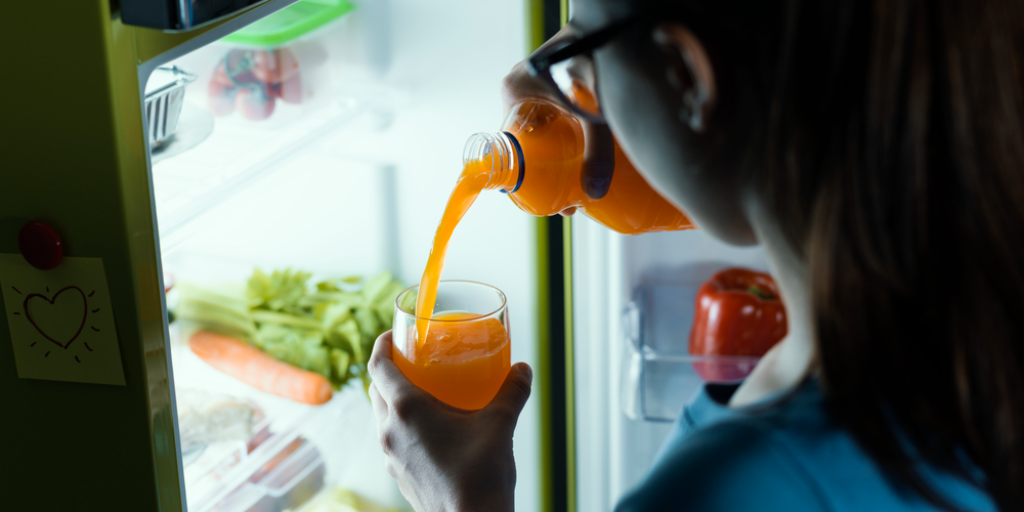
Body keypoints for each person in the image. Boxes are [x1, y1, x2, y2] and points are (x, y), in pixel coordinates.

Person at [367, 0, 1024, 510]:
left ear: (688, 77)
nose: (571, 90)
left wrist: (466, 504)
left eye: (580, 61)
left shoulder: (722, 494)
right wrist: (608, 46)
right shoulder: (972, 325)